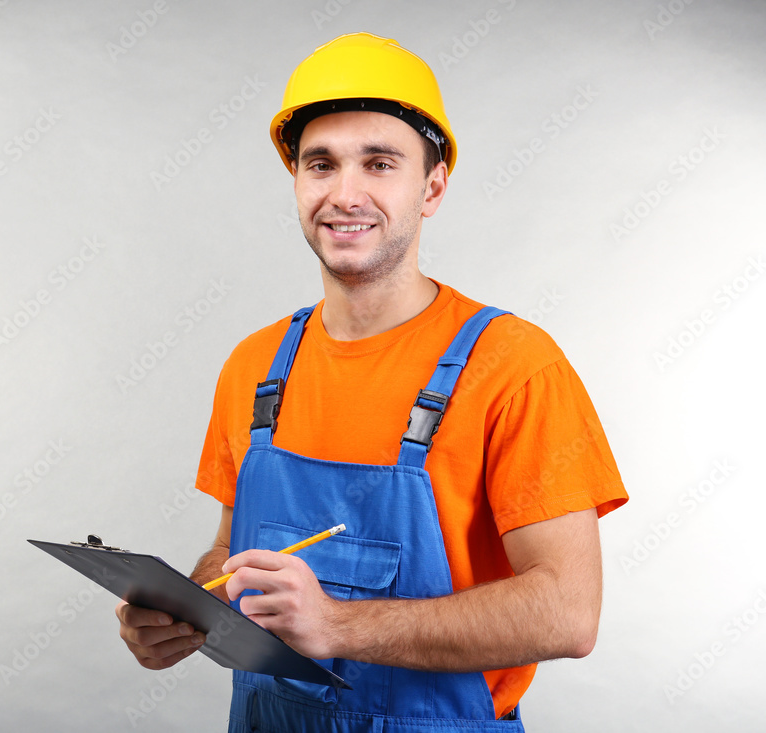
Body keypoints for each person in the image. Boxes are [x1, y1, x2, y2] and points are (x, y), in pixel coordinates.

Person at [117, 32, 628, 731]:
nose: (344, 193)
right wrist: (191, 606)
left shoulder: (515, 364)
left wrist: (340, 625)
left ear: (433, 187)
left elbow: (569, 612)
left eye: (379, 163)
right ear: (297, 181)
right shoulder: (255, 365)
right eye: (320, 163)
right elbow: (232, 547)